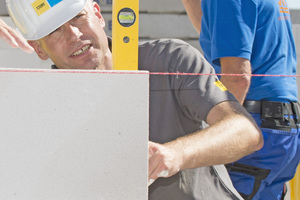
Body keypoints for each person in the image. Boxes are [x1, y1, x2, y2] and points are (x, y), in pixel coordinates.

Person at [6, 0, 263, 199]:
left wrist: (175, 154)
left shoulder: (170, 60)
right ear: (39, 49)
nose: (74, 35)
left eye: (78, 17)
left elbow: (246, 132)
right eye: (55, 31)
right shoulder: (41, 107)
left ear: (97, 14)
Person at [182, 0, 300, 199]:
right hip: (282, 129)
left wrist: (219, 131)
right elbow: (217, 33)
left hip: (255, 126)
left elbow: (237, 77)